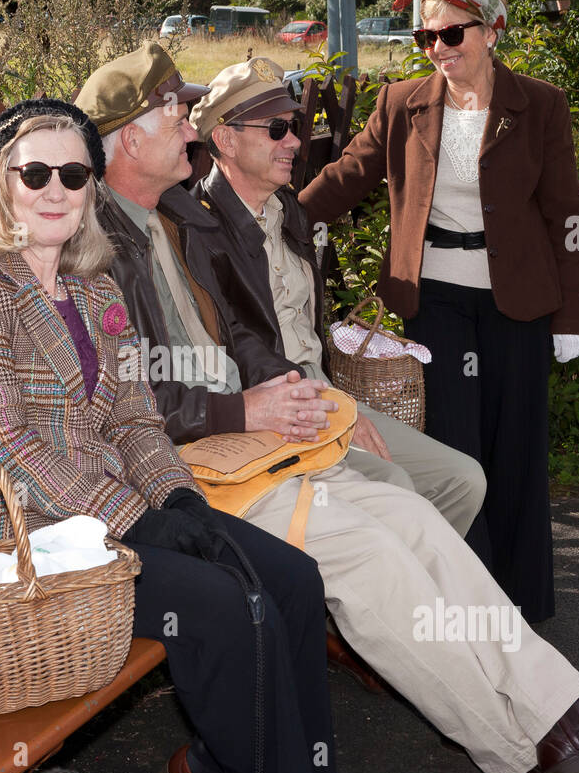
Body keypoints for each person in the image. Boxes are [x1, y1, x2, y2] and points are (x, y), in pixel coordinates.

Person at [76, 42, 579, 773]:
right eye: (174, 109)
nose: (188, 122)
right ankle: (530, 752)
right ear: (128, 138)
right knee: (378, 554)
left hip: (251, 442)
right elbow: (122, 400)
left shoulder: (171, 215)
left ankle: (566, 709)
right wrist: (250, 407)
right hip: (185, 473)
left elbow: (239, 335)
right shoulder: (94, 245)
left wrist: (295, 395)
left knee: (417, 519)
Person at [0, 97, 374, 773]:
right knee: (221, 605)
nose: (56, 189)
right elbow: (5, 446)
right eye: (36, 173)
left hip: (111, 524)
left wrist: (180, 498)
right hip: (26, 544)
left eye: (75, 173)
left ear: (94, 186)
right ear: (3, 185)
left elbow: (134, 419)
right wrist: (139, 519)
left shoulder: (96, 291)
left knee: (291, 578)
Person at [300, 0, 579, 624]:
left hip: (518, 301)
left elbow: (565, 216)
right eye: (425, 38)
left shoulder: (539, 106)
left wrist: (572, 312)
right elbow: (350, 175)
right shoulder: (403, 104)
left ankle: (524, 600)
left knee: (516, 449)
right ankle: (472, 601)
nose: (437, 49)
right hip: (434, 302)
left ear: (491, 29)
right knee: (457, 453)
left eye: (451, 35)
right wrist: (275, 214)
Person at [187, 55, 485, 536]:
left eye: (297, 125)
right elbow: (231, 342)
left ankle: (409, 593)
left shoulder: (289, 211)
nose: (295, 141)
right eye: (278, 128)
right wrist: (321, 397)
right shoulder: (199, 231)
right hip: (270, 408)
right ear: (225, 138)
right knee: (397, 489)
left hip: (325, 390)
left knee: (463, 479)